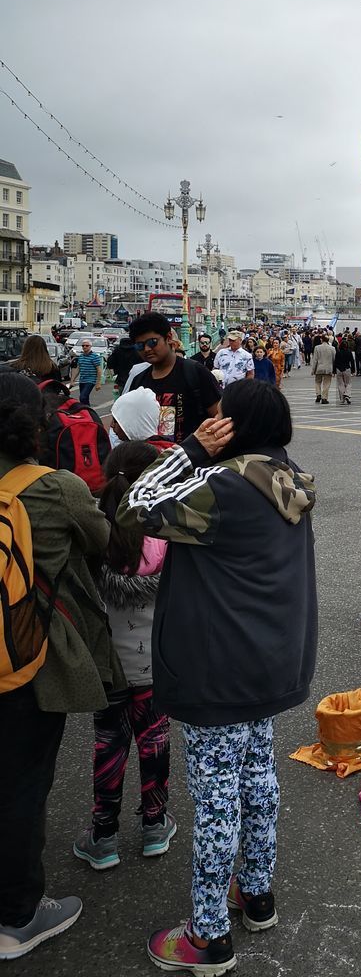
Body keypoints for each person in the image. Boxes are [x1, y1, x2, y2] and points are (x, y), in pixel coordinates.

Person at [117, 381, 318, 974]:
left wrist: (189, 450)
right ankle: (256, 893)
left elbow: (134, 508)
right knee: (258, 774)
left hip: (218, 668)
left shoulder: (222, 488)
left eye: (219, 417)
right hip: (269, 662)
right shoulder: (288, 478)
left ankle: (208, 936)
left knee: (215, 797)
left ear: (236, 428)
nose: (211, 420)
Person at [0, 373, 122, 962]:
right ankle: (18, 916)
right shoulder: (55, 488)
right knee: (20, 784)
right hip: (25, 660)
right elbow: (107, 542)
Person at [72, 443, 175, 871]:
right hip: (155, 666)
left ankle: (104, 836)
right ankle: (154, 826)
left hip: (108, 667)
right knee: (154, 741)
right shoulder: (166, 534)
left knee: (108, 745)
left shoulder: (93, 535)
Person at [127, 314, 221, 445]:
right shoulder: (138, 382)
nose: (147, 349)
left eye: (152, 342)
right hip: (151, 462)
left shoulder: (195, 372)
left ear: (169, 338)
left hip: (191, 460)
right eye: (140, 346)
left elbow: (219, 416)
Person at [71, 338, 103, 406]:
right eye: (83, 345)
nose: (84, 347)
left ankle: (86, 411)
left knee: (82, 397)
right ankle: (87, 412)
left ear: (90, 346)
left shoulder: (95, 357)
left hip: (90, 381)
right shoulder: (81, 356)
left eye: (86, 345)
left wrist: (98, 383)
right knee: (85, 398)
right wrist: (72, 380)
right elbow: (78, 369)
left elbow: (99, 370)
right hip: (82, 380)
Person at [311, 333, 334, 403]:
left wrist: (313, 370)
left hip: (319, 368)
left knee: (317, 382)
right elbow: (334, 359)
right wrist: (334, 369)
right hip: (328, 368)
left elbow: (315, 359)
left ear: (322, 340)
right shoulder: (332, 348)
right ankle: (324, 398)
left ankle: (318, 394)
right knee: (326, 383)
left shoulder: (317, 348)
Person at [334, 334, 353, 404]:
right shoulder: (349, 352)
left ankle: (342, 399)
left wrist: (334, 371)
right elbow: (352, 361)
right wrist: (353, 370)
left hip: (339, 369)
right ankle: (347, 394)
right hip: (347, 368)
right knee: (348, 383)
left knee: (340, 384)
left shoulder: (338, 352)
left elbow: (335, 361)